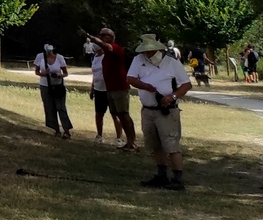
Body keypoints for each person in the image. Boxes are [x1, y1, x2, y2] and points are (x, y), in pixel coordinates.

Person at [127, 32, 193, 190]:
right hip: (148, 109)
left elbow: (186, 85)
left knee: (172, 144)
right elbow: (130, 78)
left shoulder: (171, 63)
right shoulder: (138, 60)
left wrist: (173, 96)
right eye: (144, 51)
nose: (147, 54)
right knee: (155, 144)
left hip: (166, 110)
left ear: (157, 49)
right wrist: (145, 86)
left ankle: (177, 179)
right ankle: (161, 175)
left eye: (150, 51)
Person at [81, 26, 137, 151]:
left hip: (120, 88)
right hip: (110, 89)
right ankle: (129, 142)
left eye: (103, 34)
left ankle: (132, 142)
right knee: (118, 114)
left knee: (123, 114)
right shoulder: (104, 55)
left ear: (111, 37)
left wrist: (89, 37)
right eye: (100, 34)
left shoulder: (115, 48)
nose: (100, 36)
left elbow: (105, 45)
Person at [33, 43, 73, 139]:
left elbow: (66, 73)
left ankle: (67, 130)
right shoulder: (40, 56)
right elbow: (36, 71)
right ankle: (56, 129)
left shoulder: (60, 58)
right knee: (49, 108)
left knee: (61, 107)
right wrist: (44, 74)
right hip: (45, 86)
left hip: (58, 85)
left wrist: (59, 75)